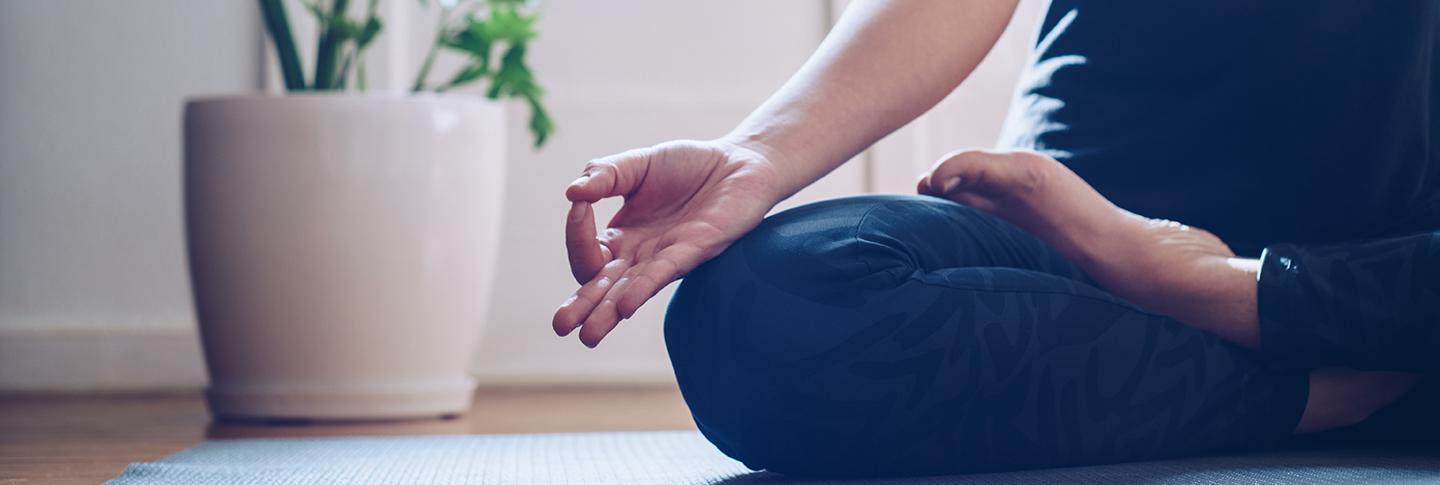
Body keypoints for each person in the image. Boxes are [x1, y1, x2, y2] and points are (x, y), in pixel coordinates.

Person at [554, 0, 1439, 477]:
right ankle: (1336, 391)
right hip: (1081, 236)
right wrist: (759, 154)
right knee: (762, 312)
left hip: (1398, 277)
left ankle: (1282, 349)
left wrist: (1229, 286)